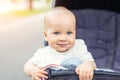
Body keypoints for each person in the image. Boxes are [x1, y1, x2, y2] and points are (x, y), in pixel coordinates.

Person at [24, 6, 96, 80]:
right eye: (56, 33)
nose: (63, 38)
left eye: (69, 33)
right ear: (46, 36)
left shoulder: (79, 47)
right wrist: (32, 70)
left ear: (75, 33)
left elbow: (92, 63)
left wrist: (87, 65)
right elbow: (27, 65)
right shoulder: (43, 53)